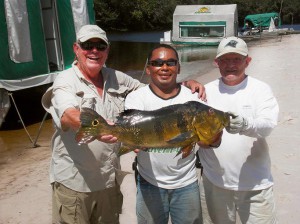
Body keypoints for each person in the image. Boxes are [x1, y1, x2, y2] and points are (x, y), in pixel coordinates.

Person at [41, 25, 206, 224]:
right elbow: (68, 115)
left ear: (107, 51)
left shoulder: (116, 77)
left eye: (100, 46)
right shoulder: (65, 81)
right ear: (76, 49)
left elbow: (154, 87)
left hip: (109, 181)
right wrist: (98, 128)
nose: (94, 51)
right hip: (76, 183)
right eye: (87, 45)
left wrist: (185, 83)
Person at [198, 36, 279, 224]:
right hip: (214, 184)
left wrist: (245, 125)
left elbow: (267, 125)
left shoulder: (261, 89)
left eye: (237, 59)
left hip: (255, 185)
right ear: (216, 62)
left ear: (247, 61)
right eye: (225, 60)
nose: (231, 65)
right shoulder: (204, 92)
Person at [124, 44, 204, 224]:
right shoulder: (136, 98)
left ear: (178, 67)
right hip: (149, 182)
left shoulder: (193, 98)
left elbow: (207, 139)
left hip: (187, 183)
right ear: (148, 68)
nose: (165, 67)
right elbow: (133, 130)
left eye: (170, 62)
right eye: (158, 63)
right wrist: (133, 143)